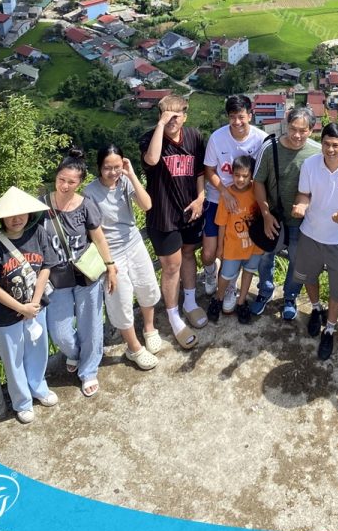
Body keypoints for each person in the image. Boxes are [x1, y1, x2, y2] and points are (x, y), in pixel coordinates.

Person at [0, 187, 59, 424]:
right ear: (1, 217)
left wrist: (33, 304)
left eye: (21, 213)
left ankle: (39, 388)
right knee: (13, 360)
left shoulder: (38, 233)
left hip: (35, 308)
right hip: (5, 314)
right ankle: (22, 402)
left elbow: (46, 266)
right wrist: (21, 308)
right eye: (11, 214)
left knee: (38, 350)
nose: (17, 218)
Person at [43, 149, 118, 398]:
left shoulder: (86, 205)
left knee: (91, 325)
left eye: (71, 182)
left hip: (86, 274)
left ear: (79, 183)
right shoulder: (41, 204)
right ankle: (76, 353)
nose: (65, 185)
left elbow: (98, 237)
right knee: (60, 332)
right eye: (61, 179)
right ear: (56, 177)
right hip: (56, 278)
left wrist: (110, 266)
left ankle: (89, 370)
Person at [82, 145, 162, 371]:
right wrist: (109, 265)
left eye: (117, 166)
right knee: (121, 300)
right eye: (108, 167)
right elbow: (95, 234)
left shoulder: (125, 182)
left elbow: (147, 205)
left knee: (147, 286)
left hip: (134, 243)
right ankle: (134, 348)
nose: (113, 172)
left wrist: (132, 174)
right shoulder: (90, 192)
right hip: (112, 253)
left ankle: (149, 328)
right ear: (98, 168)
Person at [292, 123, 338, 360]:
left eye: (336, 145)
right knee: (309, 277)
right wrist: (302, 205)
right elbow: (304, 193)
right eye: (326, 144)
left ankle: (330, 328)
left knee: (336, 289)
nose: (330, 149)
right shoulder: (310, 164)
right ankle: (315, 309)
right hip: (310, 234)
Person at [140, 94, 206, 349]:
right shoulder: (149, 139)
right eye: (167, 114)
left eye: (177, 114)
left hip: (190, 210)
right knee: (170, 267)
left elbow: (200, 171)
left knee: (189, 255)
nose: (172, 119)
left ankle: (190, 301)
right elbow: (153, 160)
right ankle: (173, 315)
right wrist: (160, 126)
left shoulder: (194, 137)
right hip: (163, 214)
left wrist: (201, 198)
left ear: (185, 116)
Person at [250, 106, 321, 318]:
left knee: (297, 260)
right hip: (272, 216)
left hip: (302, 221)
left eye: (303, 130)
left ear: (311, 130)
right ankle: (265, 291)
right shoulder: (270, 148)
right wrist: (265, 214)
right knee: (265, 257)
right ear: (286, 125)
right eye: (292, 129)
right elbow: (258, 182)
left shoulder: (317, 152)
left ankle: (290, 296)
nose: (297, 135)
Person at [202, 95, 267, 298]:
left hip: (248, 203)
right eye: (232, 117)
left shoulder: (260, 139)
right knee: (209, 253)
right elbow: (209, 170)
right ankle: (211, 272)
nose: (237, 122)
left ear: (250, 115)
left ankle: (230, 284)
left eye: (241, 116)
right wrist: (225, 193)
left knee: (242, 247)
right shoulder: (217, 137)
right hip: (217, 199)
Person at [207, 155, 261, 324]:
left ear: (251, 175)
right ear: (232, 174)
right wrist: (220, 248)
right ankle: (218, 299)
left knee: (249, 271)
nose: (240, 179)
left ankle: (241, 301)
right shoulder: (227, 194)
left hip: (254, 244)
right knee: (226, 274)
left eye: (245, 176)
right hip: (233, 245)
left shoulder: (256, 191)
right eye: (237, 175)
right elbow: (221, 224)